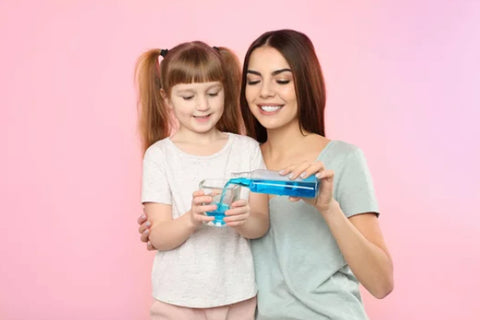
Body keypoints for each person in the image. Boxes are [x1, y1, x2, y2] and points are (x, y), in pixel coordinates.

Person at [138, 30, 394, 320]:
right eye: (254, 80)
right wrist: (169, 225)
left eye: (282, 80)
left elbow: (381, 283)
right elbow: (175, 227)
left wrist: (329, 209)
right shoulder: (237, 159)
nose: (265, 92)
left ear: (306, 84)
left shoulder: (342, 160)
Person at [135, 41, 269, 320]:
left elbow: (260, 225)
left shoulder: (246, 150)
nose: (203, 105)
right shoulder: (159, 156)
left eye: (213, 92)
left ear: (225, 90)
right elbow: (158, 236)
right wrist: (191, 220)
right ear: (166, 98)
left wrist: (243, 219)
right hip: (176, 299)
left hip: (238, 295)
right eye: (188, 97)